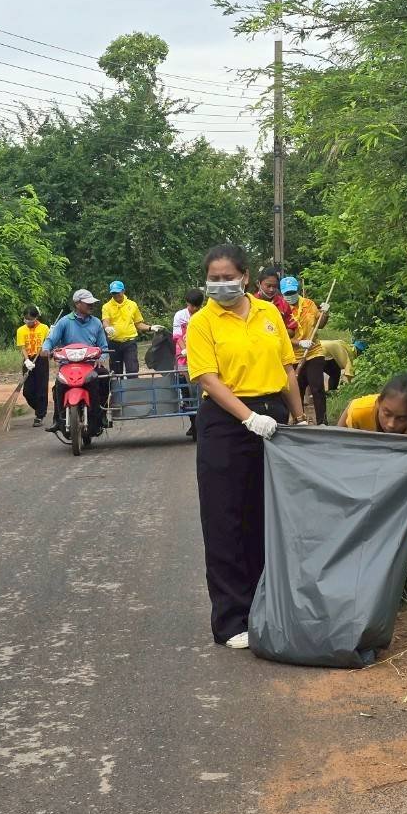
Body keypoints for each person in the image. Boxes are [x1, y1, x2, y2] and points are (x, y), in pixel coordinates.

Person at [187, 244, 307, 650]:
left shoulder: (269, 312)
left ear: (245, 276)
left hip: (276, 419)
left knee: (266, 515)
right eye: (214, 278)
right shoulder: (203, 322)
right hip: (227, 422)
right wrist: (248, 418)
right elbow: (207, 379)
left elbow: (288, 368)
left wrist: (300, 416)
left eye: (228, 277)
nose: (221, 285)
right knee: (225, 519)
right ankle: (230, 619)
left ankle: (266, 607)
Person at [338, 373, 407, 602]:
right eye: (386, 414)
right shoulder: (359, 411)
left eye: (400, 418)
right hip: (371, 449)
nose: (390, 424)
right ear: (378, 403)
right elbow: (335, 450)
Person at [41, 289, 110, 434]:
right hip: (68, 365)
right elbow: (51, 339)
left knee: (105, 377)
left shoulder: (96, 323)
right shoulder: (64, 322)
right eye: (88, 303)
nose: (91, 305)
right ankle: (57, 419)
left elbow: (103, 347)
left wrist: (101, 358)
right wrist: (46, 349)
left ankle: (101, 415)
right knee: (58, 385)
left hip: (90, 365)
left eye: (92, 303)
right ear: (77, 304)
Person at [280, 276, 331, 425]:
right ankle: (299, 422)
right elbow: (280, 337)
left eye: (292, 292)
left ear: (297, 290)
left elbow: (319, 325)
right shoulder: (279, 310)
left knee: (317, 388)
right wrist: (299, 343)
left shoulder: (309, 304)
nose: (290, 296)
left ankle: (323, 422)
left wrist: (325, 313)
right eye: (286, 293)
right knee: (297, 390)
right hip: (293, 355)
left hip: (314, 351)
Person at [101, 281, 153, 377]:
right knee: (116, 373)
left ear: (123, 291)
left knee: (132, 370)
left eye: (118, 292)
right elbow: (105, 321)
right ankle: (117, 392)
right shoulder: (106, 307)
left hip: (129, 342)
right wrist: (107, 327)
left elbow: (139, 324)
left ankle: (132, 391)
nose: (116, 295)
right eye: (113, 293)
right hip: (114, 343)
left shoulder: (132, 305)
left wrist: (150, 328)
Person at [173, 289, 204, 441]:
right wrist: (185, 349)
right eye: (192, 306)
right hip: (183, 358)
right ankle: (194, 423)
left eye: (197, 307)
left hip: (201, 358)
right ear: (187, 303)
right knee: (188, 393)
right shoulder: (180, 316)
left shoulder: (204, 316)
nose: (194, 309)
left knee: (201, 393)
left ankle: (202, 423)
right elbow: (177, 336)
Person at [16, 305, 49, 428]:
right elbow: (22, 347)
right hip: (28, 361)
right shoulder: (21, 330)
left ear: (36, 317)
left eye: (30, 319)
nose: (28, 321)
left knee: (41, 387)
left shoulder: (44, 328)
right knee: (28, 391)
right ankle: (40, 408)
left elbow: (49, 342)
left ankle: (39, 416)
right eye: (26, 319)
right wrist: (26, 361)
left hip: (41, 359)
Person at [253, 266, 297, 335]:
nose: (271, 289)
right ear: (258, 284)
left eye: (274, 286)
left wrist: (275, 333)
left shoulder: (283, 304)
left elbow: (292, 329)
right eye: (268, 286)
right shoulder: (250, 302)